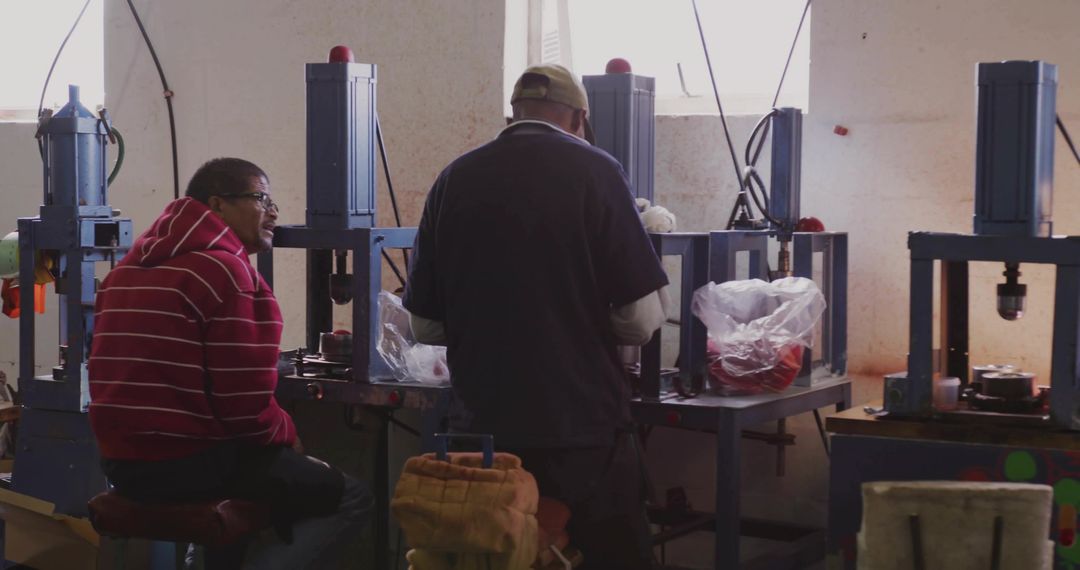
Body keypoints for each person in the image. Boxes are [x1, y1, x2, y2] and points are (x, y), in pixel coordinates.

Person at [404, 65, 668, 570]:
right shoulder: (598, 170)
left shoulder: (454, 177)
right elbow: (638, 322)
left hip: (483, 430)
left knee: (500, 558)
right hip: (580, 431)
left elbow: (425, 328)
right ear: (579, 118)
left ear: (513, 114)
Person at [88, 158, 371, 569]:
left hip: (123, 463)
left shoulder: (125, 271)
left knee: (255, 484)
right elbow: (244, 409)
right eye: (261, 198)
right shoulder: (224, 270)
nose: (273, 211)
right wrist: (287, 433)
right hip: (187, 463)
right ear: (217, 205)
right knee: (351, 496)